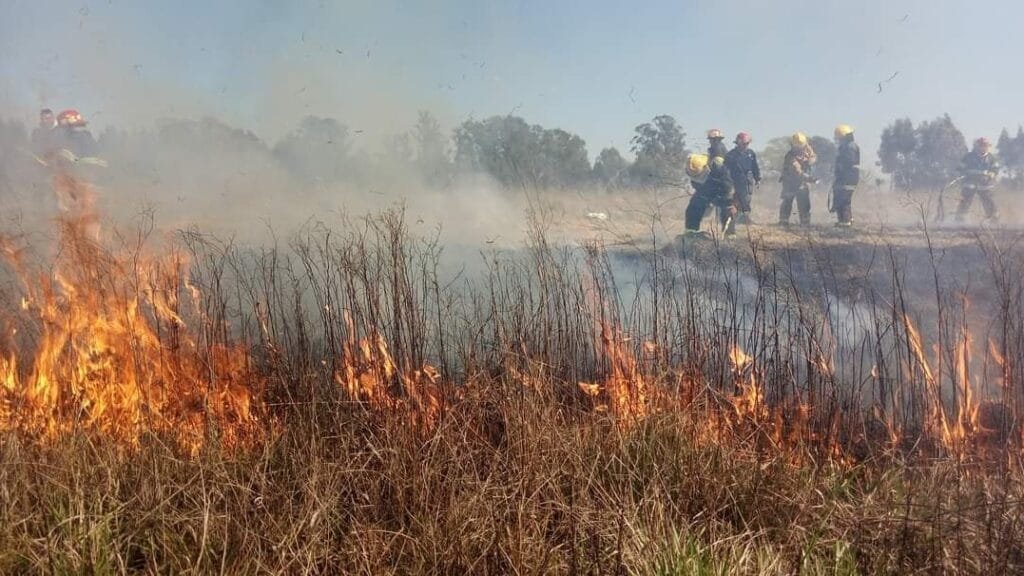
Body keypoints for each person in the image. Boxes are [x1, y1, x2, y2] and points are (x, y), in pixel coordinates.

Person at [684, 153, 736, 236]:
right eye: (695, 176)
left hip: (721, 191)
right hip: (704, 192)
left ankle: (730, 235)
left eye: (700, 175)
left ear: (706, 167)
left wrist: (730, 203)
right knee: (694, 207)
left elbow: (728, 186)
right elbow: (697, 187)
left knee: (727, 210)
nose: (698, 178)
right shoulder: (692, 171)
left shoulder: (719, 167)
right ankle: (691, 232)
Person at [956, 137, 1000, 222]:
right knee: (966, 199)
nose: (983, 147)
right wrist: (961, 175)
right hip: (970, 183)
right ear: (977, 146)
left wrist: (992, 174)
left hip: (985, 184)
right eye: (981, 145)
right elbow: (960, 168)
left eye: (985, 145)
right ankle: (960, 218)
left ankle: (993, 217)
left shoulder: (991, 158)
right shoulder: (968, 157)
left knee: (988, 199)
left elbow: (996, 169)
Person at [778, 132, 817, 226]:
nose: (801, 149)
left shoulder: (807, 148)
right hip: (790, 181)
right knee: (788, 200)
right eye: (798, 148)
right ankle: (783, 221)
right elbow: (797, 172)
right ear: (793, 146)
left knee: (804, 201)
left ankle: (805, 222)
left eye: (802, 147)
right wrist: (810, 178)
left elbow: (813, 156)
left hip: (803, 182)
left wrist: (810, 161)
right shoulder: (790, 157)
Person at [725, 132, 761, 224]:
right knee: (735, 200)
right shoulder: (730, 155)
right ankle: (734, 219)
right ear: (738, 143)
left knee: (747, 199)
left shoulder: (751, 153)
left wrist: (757, 179)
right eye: (744, 144)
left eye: (747, 144)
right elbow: (725, 170)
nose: (745, 146)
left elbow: (754, 167)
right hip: (735, 180)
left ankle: (744, 218)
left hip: (748, 180)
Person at [832, 124, 860, 227]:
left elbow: (848, 162)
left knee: (843, 199)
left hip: (847, 178)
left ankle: (845, 223)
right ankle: (846, 220)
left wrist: (839, 169)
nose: (838, 140)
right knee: (845, 199)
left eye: (839, 138)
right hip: (848, 178)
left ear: (843, 137)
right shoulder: (849, 146)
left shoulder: (849, 147)